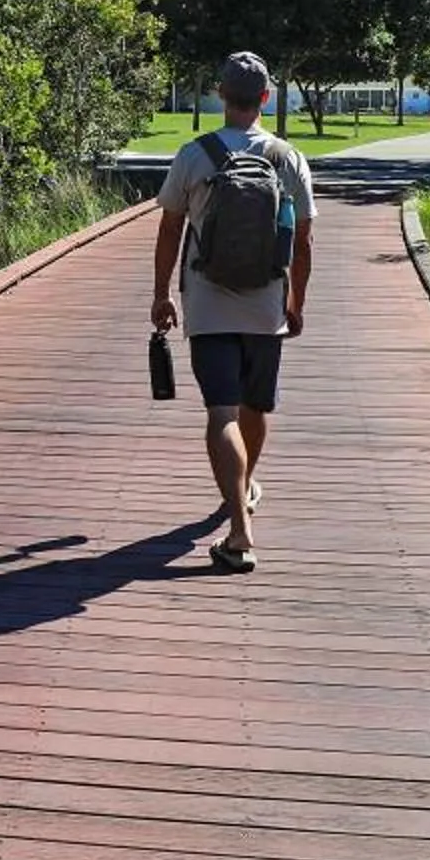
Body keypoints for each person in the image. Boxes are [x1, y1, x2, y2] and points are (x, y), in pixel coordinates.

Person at [150, 51, 314, 572]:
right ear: (265, 97)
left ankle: (239, 529)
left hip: (209, 303)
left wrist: (161, 294)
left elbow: (170, 230)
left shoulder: (194, 155)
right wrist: (296, 301)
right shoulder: (287, 157)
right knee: (255, 409)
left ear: (220, 95)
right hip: (266, 305)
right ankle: (242, 490)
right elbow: (303, 242)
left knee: (222, 413)